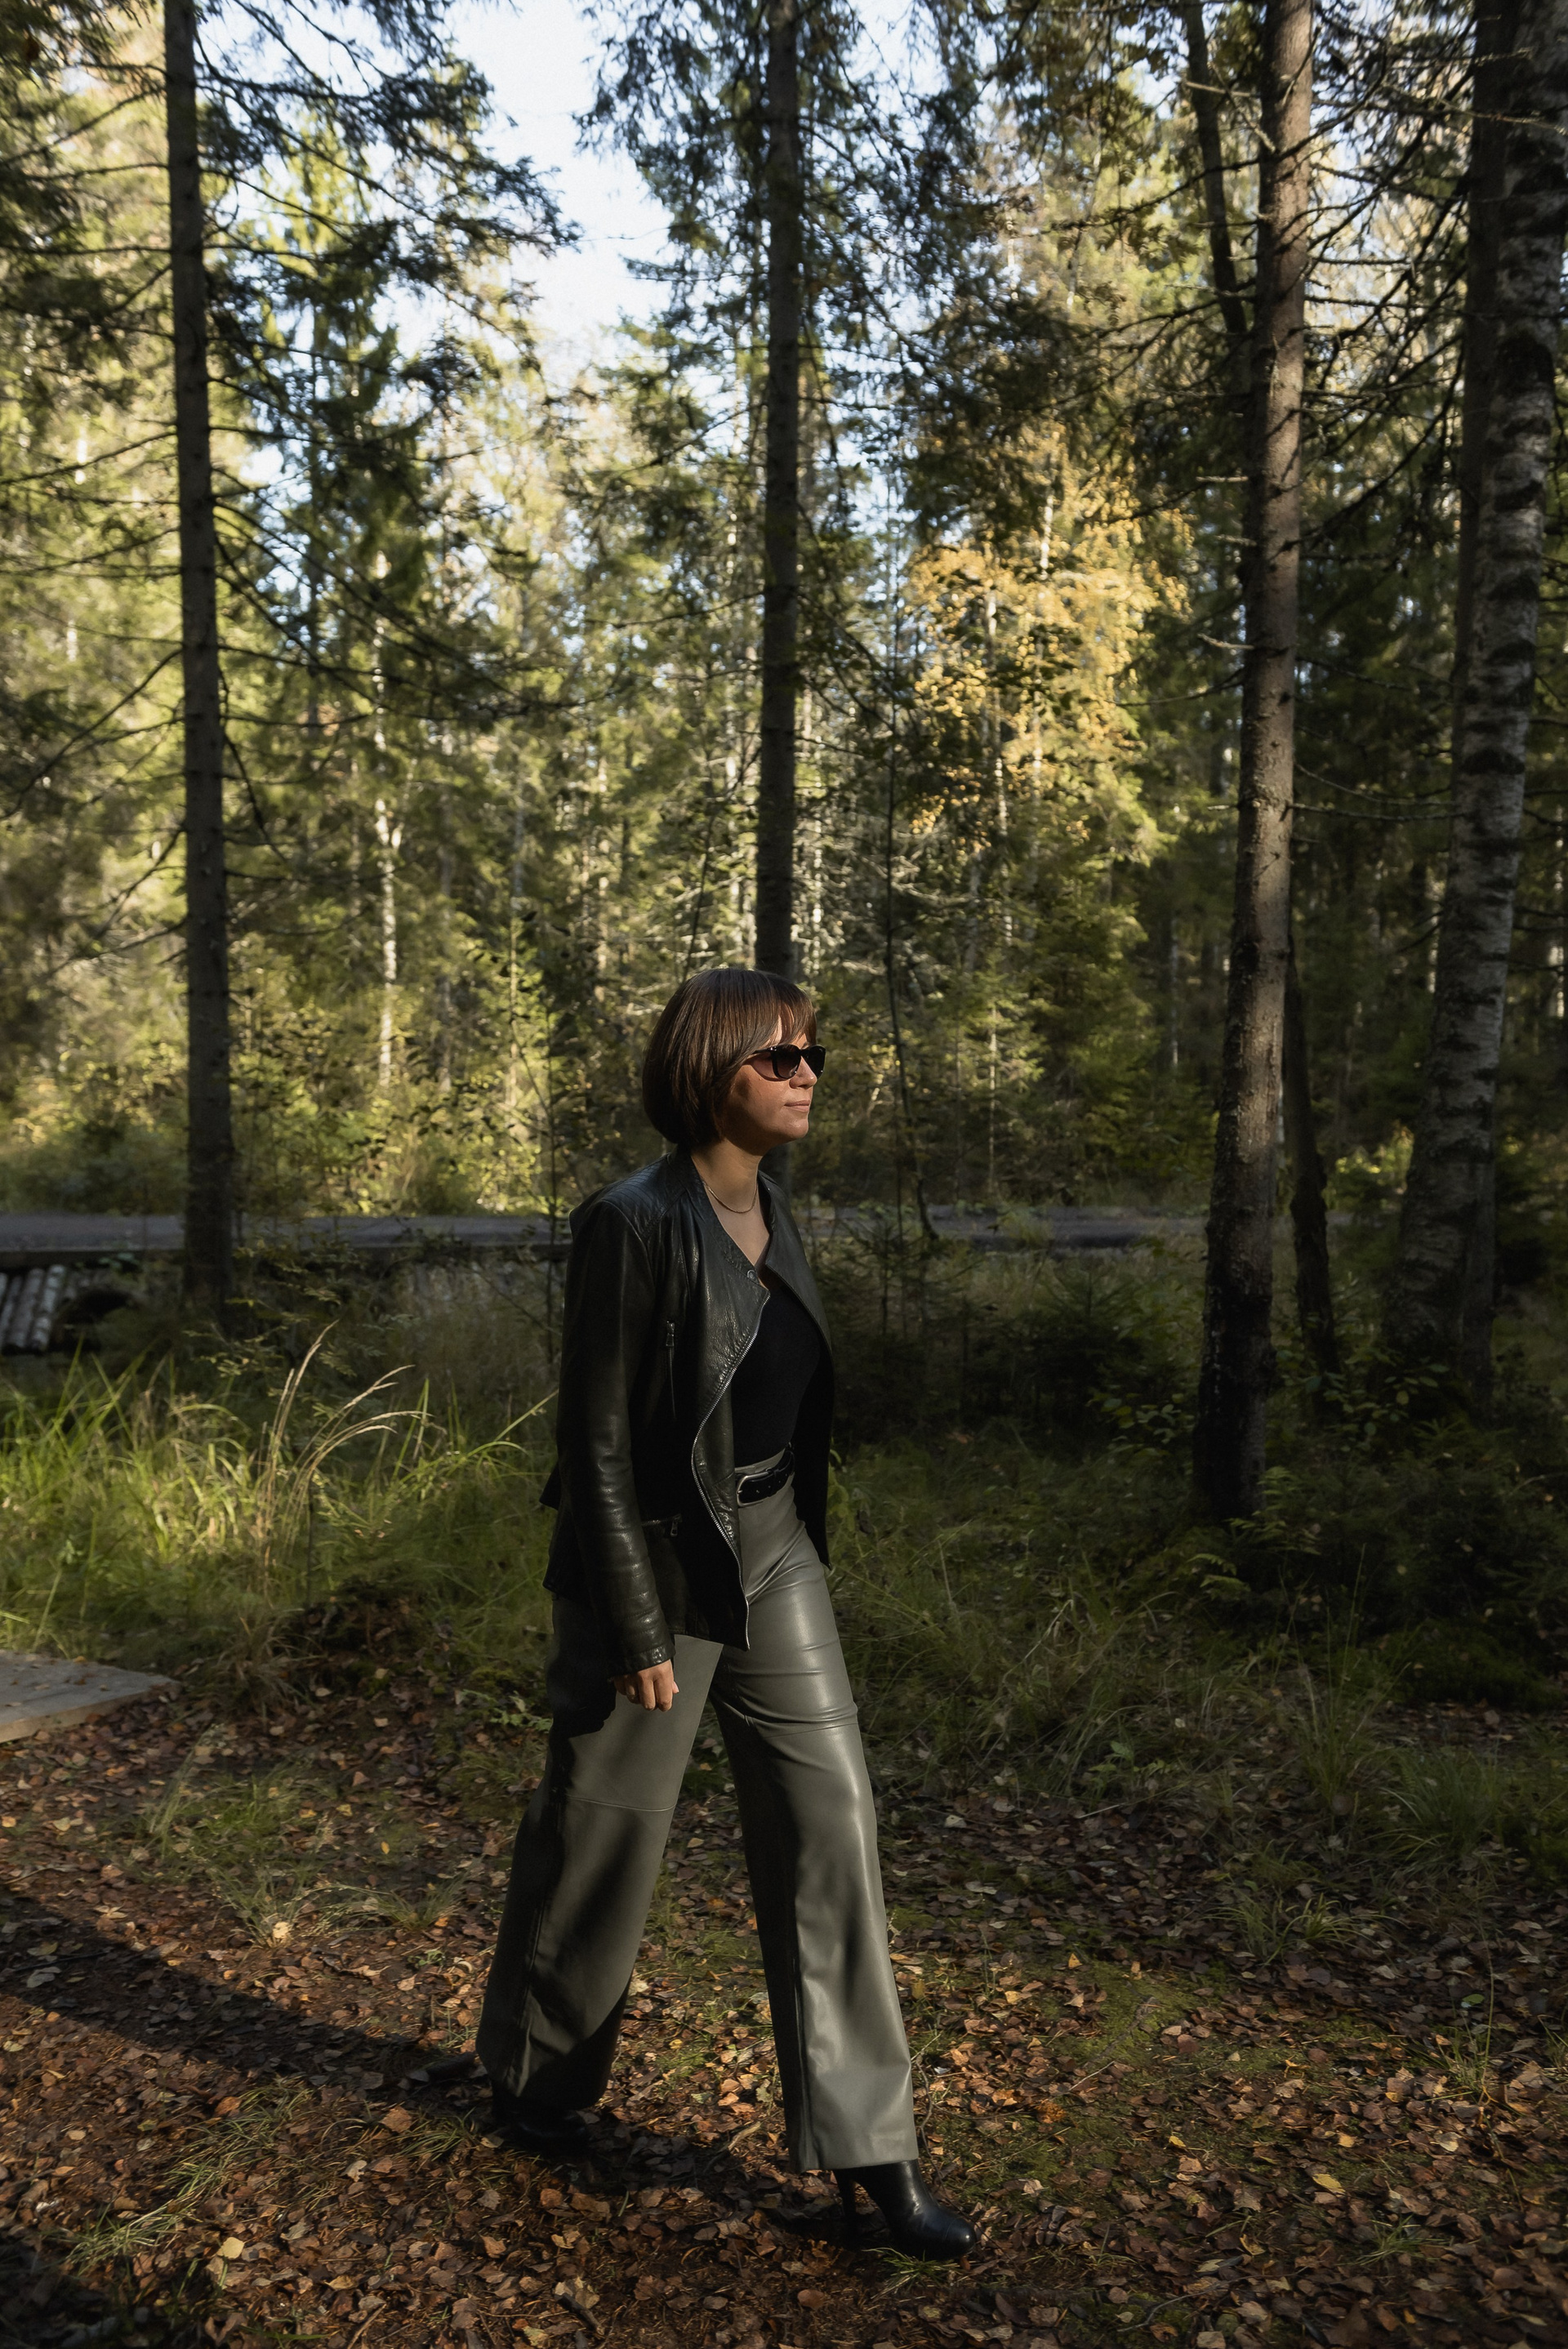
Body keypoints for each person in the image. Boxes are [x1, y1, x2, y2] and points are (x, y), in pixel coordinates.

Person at [476, 966, 976, 2259]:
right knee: (604, 1827)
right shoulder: (632, 1221)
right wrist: (636, 1623)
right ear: (712, 1071)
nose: (808, 1075)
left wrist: (786, 1538)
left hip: (773, 1549)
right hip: (651, 1561)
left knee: (833, 1822)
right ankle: (537, 2080)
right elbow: (594, 1442)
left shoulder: (775, 1203)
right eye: (780, 1057)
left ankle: (873, 2152)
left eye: (812, 1055)